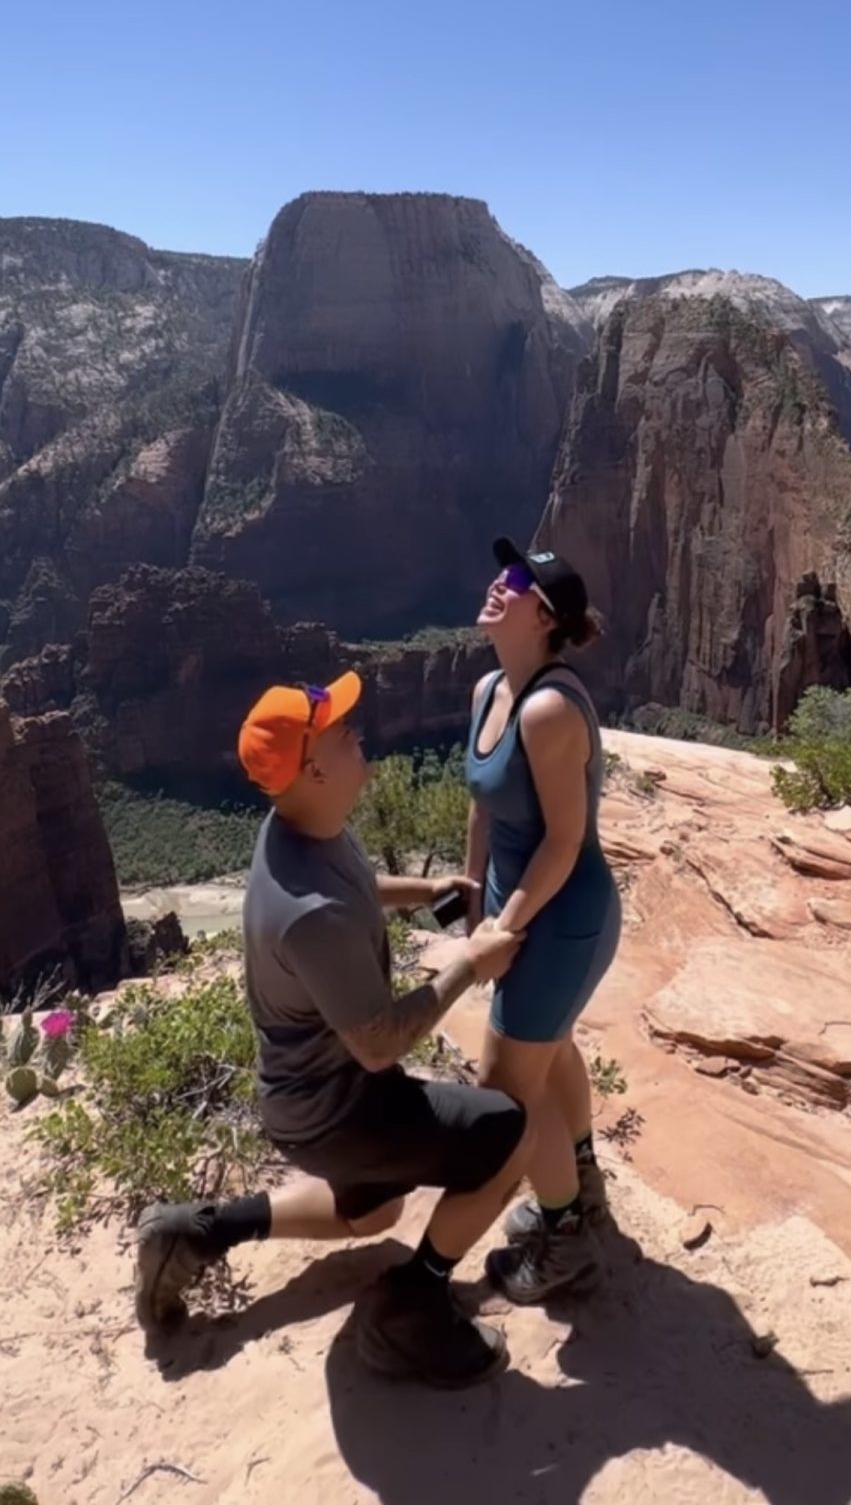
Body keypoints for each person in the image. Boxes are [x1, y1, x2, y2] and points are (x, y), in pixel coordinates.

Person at [134, 671, 529, 1389]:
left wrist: (427, 893)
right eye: (342, 731)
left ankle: (200, 1229)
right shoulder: (310, 912)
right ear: (313, 766)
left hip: (306, 1102)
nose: (358, 733)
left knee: (374, 1212)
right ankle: (410, 1311)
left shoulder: (298, 829)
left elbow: (355, 888)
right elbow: (378, 1041)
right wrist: (469, 962)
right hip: (341, 1112)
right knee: (508, 1135)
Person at [466, 539, 622, 1305]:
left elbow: (565, 842)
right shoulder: (489, 688)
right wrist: (472, 893)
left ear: (546, 617)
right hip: (517, 907)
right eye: (504, 570)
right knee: (548, 1053)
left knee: (507, 1091)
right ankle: (583, 1187)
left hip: (563, 918)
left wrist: (508, 927)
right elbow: (484, 802)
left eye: (520, 580)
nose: (501, 582)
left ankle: (564, 1243)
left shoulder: (551, 709)